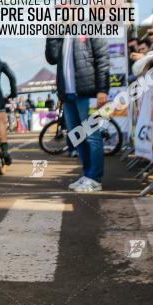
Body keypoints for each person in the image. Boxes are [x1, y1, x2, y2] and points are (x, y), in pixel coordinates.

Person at [45, 34, 109, 193]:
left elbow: (102, 59)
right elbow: (52, 58)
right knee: (76, 136)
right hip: (68, 95)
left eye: (66, 7)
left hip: (87, 92)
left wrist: (102, 89)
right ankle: (88, 175)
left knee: (92, 136)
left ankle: (95, 178)